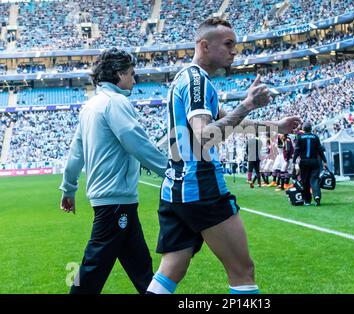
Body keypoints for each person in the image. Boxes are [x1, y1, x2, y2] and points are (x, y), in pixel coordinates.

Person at [146, 18, 300, 294]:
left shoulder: (188, 78)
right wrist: (247, 104)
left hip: (177, 188)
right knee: (243, 271)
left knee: (172, 269)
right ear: (204, 46)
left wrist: (276, 126)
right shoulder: (197, 82)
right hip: (201, 186)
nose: (234, 51)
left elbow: (230, 123)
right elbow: (205, 135)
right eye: (228, 44)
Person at [59, 48, 167, 294]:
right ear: (119, 74)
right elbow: (135, 141)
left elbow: (76, 153)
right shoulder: (116, 102)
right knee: (91, 271)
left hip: (117, 201)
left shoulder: (91, 106)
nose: (134, 79)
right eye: (131, 74)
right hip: (114, 201)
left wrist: (68, 188)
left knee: (142, 270)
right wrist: (170, 171)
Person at [293, 122, 327, 206]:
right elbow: (320, 150)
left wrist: (294, 161)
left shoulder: (300, 137)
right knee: (314, 180)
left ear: (303, 129)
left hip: (304, 162)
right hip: (314, 161)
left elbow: (297, 150)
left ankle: (307, 200)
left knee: (305, 181)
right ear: (311, 129)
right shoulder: (315, 137)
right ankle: (317, 196)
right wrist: (324, 161)